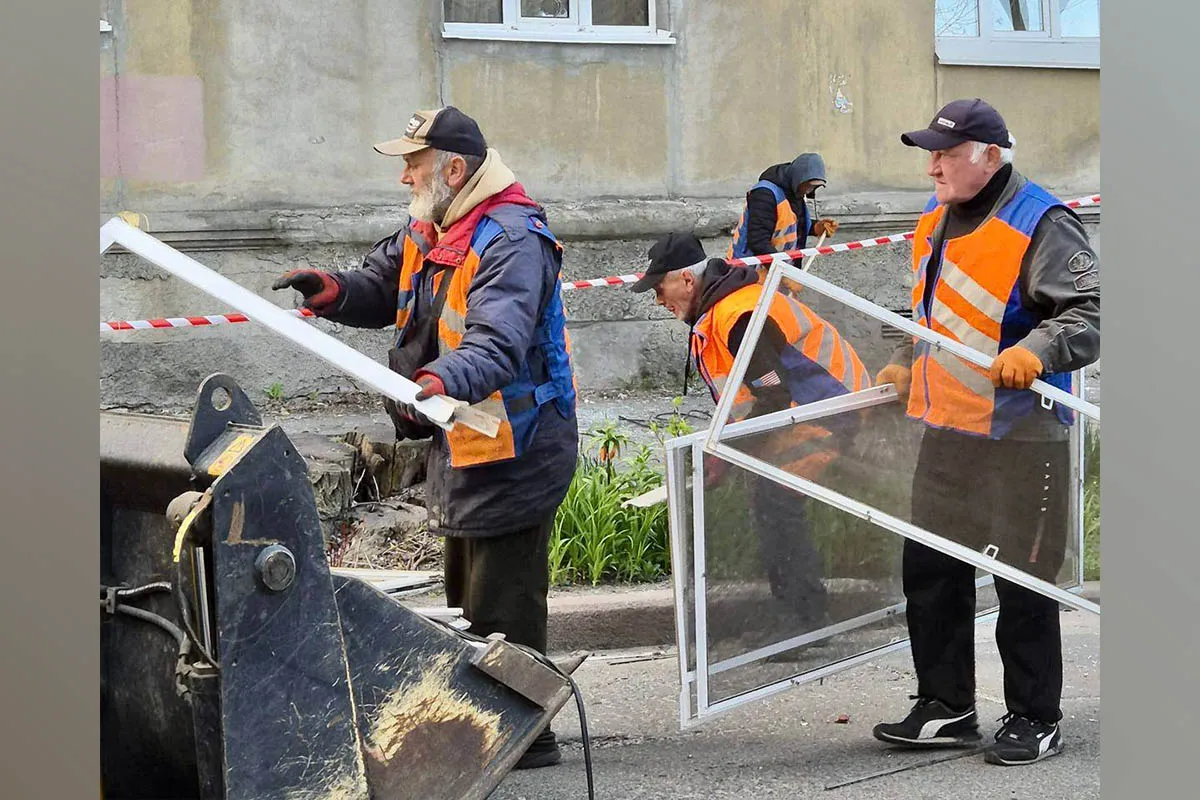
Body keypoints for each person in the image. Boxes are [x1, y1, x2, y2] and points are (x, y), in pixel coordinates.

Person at [271, 106, 578, 770]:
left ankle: (527, 733)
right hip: (466, 435)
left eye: (412, 163)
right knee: (468, 596)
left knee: (503, 596)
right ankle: (492, 720)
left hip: (518, 443)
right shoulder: (432, 224)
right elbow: (381, 285)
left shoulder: (512, 238)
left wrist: (438, 380)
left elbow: (496, 341)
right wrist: (333, 292)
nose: (403, 176)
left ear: (454, 169)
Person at [871, 98, 1100, 766]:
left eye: (946, 153)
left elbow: (1088, 311)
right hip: (947, 429)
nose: (932, 166)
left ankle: (1035, 717)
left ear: (990, 157)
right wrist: (906, 363)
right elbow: (934, 313)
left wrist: (1041, 350)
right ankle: (946, 706)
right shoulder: (934, 221)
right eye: (929, 154)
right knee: (931, 571)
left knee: (1023, 580)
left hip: (1022, 432)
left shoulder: (1043, 222)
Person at [632, 232, 872, 642]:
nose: (658, 300)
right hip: (813, 409)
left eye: (659, 289)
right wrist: (727, 449)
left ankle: (804, 619)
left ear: (687, 281)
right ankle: (797, 613)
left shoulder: (739, 316)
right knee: (768, 499)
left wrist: (726, 452)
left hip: (832, 411)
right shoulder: (723, 311)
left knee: (776, 499)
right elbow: (756, 399)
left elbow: (773, 394)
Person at [727, 152, 840, 263]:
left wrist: (816, 227)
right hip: (748, 270)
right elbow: (758, 242)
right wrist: (785, 276)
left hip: (776, 270)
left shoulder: (795, 191)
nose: (808, 190)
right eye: (808, 185)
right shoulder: (764, 195)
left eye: (814, 187)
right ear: (798, 178)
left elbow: (790, 225)